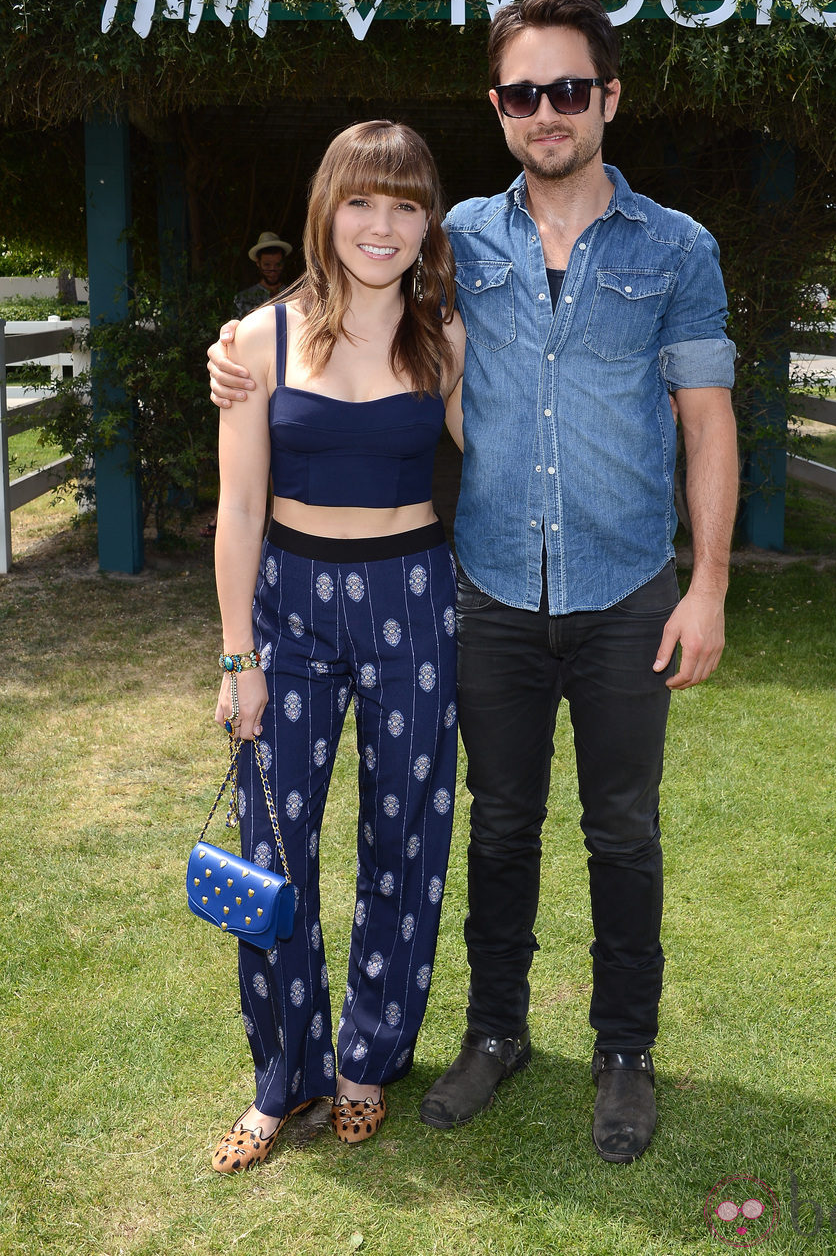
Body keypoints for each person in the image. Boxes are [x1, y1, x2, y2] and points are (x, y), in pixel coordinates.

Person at [209, 0, 739, 1166]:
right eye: (521, 92)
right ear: (496, 107)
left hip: (621, 590)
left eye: (565, 88)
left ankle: (622, 1052)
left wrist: (705, 585)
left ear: (607, 97)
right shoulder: (463, 249)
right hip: (487, 590)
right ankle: (492, 1033)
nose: (544, 110)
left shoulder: (677, 248)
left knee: (622, 832)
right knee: (494, 828)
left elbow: (706, 420)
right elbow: (351, 319)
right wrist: (240, 356)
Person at [209, 121, 465, 1173]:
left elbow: (502, 459)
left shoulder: (444, 337)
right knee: (273, 846)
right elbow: (236, 509)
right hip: (288, 607)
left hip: (415, 598)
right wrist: (238, 655)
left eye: (405, 204)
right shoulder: (256, 339)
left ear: (425, 223)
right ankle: (285, 1075)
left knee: (403, 841)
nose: (382, 224)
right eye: (363, 200)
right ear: (327, 209)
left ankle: (366, 1062)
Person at [234, 230, 292, 316]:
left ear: (283, 263)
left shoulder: (293, 296)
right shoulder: (243, 299)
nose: (272, 270)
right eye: (267, 265)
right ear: (258, 263)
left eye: (277, 264)